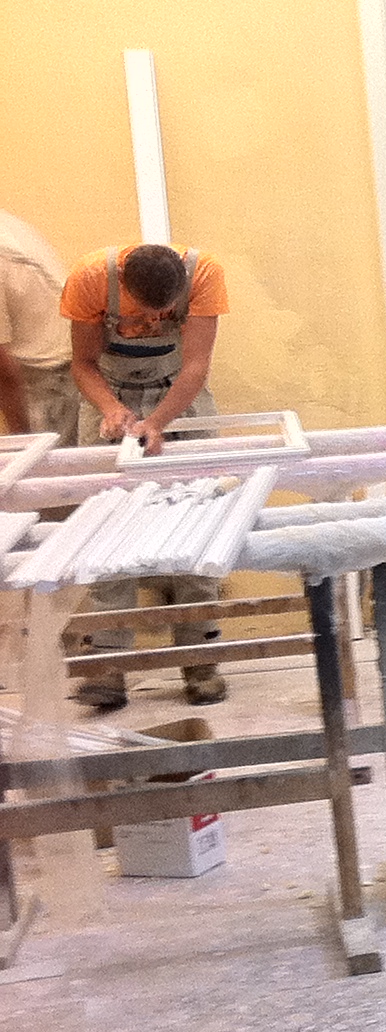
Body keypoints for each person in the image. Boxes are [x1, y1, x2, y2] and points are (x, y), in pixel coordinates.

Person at [59, 241, 234, 709]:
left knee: (199, 520)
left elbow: (196, 365)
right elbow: (83, 363)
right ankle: (108, 665)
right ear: (122, 285)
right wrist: (111, 409)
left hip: (178, 394)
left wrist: (157, 422)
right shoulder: (90, 278)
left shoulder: (204, 273)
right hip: (110, 392)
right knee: (105, 526)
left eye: (165, 313)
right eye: (144, 313)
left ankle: (200, 661)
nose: (155, 323)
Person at [0, 209, 79, 441]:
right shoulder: (6, 224)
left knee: (41, 460)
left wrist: (21, 443)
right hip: (63, 368)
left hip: (50, 384)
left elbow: (4, 372)